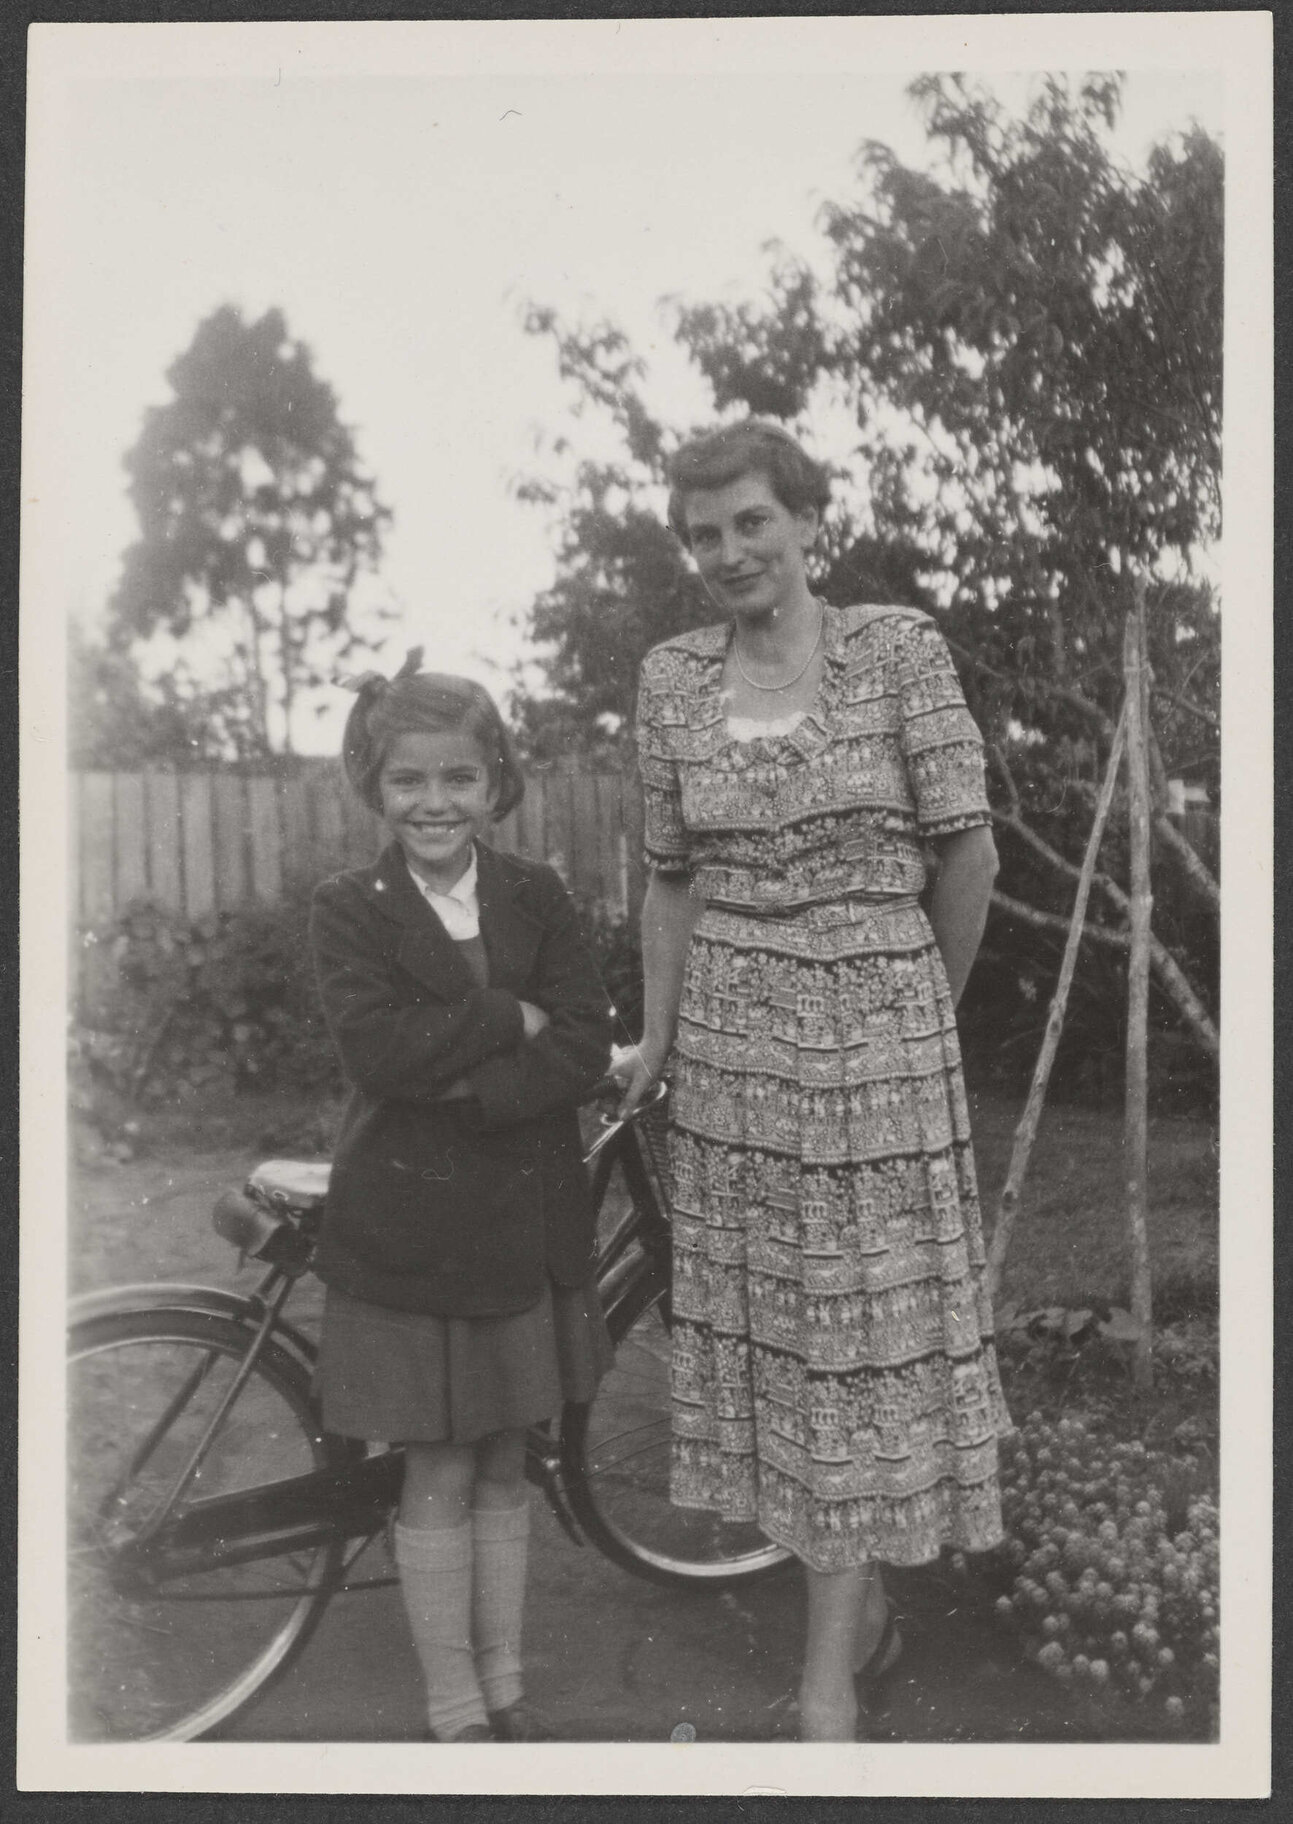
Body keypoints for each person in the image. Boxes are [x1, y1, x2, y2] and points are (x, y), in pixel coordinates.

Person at [614, 421, 1013, 1742]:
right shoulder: (673, 679)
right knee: (783, 1351)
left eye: (752, 522)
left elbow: (967, 857)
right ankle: (862, 1616)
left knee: (854, 1356)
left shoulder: (896, 651)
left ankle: (828, 1683)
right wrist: (659, 1045)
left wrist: (912, 1011)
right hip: (733, 1062)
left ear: (806, 524)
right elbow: (670, 880)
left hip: (875, 1060)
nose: (730, 551)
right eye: (705, 533)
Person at [310, 654, 613, 1743]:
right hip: (417, 1230)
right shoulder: (350, 909)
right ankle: (453, 1702)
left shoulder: (537, 895)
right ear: (374, 787)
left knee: (503, 1454)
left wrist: (478, 1079)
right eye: (407, 781)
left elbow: (582, 1043)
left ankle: (504, 1679)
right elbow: (382, 1056)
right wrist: (504, 1019)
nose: (433, 803)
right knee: (436, 1460)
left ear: (495, 783)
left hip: (523, 1223)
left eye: (457, 779)